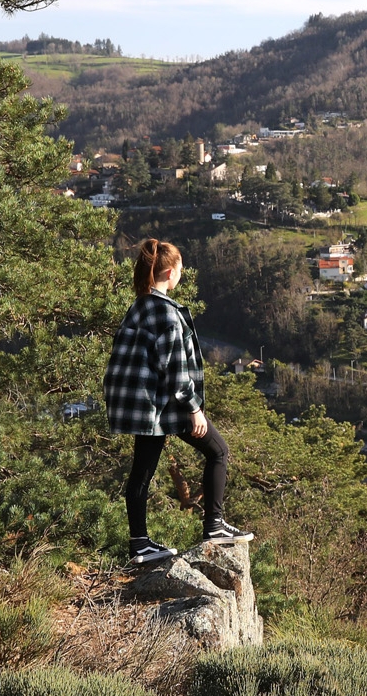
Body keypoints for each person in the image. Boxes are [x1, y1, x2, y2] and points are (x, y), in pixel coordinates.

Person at [103, 238, 253, 565]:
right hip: (163, 404)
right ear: (170, 272)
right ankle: (213, 526)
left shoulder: (140, 306)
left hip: (142, 404)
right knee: (218, 451)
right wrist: (194, 408)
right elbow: (174, 368)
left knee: (142, 471)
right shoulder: (166, 313)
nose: (182, 274)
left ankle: (139, 544)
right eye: (181, 269)